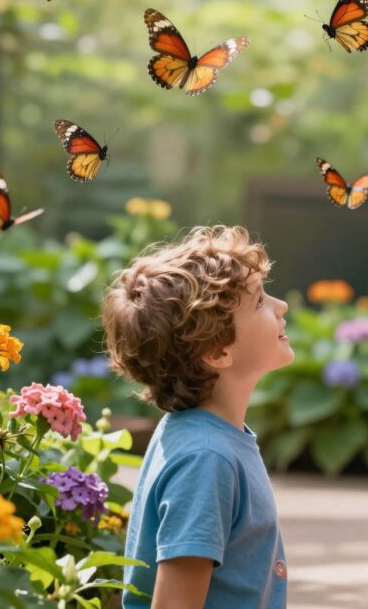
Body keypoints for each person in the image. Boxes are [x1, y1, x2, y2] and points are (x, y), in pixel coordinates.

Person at [101, 225, 293, 609]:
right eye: (259, 301)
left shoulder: (206, 438)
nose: (281, 306)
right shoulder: (206, 458)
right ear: (217, 352)